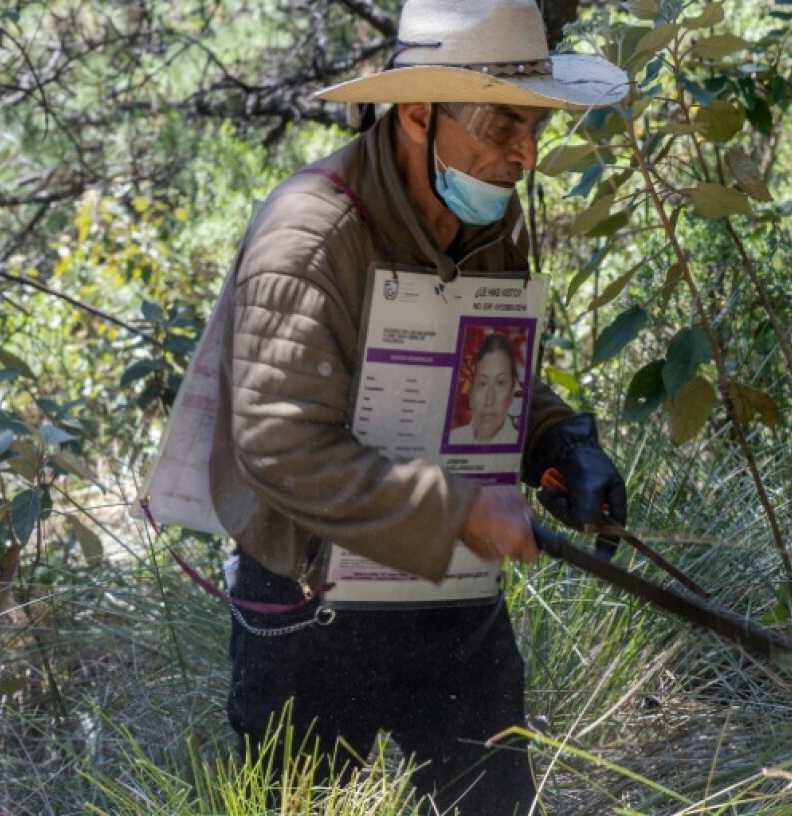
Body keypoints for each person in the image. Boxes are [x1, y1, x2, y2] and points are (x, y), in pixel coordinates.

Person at [205, 1, 630, 813]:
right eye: (502, 123)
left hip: (450, 594)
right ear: (416, 113)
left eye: (536, 125)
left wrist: (557, 437)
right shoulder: (311, 238)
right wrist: (458, 508)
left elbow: (487, 359)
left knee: (492, 797)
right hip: (311, 606)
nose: (526, 154)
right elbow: (279, 445)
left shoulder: (489, 219)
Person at [449, 332, 522, 446]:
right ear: (471, 392)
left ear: (512, 392)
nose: (489, 401)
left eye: (500, 383)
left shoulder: (520, 445)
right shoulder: (453, 439)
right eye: (482, 384)